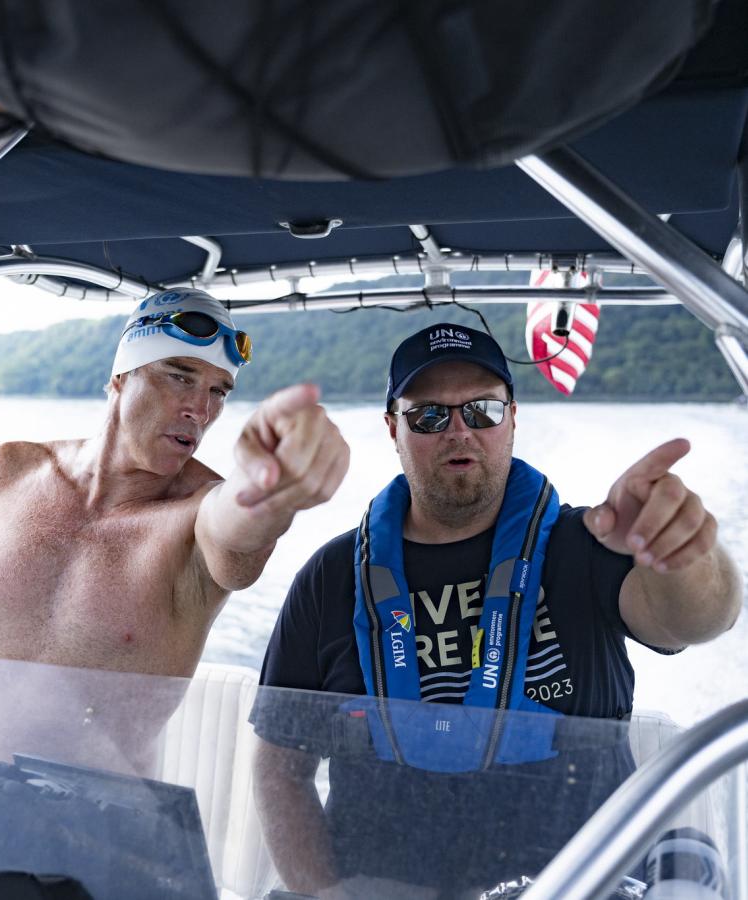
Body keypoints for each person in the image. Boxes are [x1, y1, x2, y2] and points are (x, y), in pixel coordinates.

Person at [251, 323, 742, 899]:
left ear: (512, 417)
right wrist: (326, 894)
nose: (459, 431)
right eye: (429, 416)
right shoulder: (331, 577)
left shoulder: (585, 544)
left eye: (481, 411)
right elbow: (279, 767)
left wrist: (681, 552)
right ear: (393, 428)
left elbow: (701, 618)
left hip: (578, 885)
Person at [0, 288, 350, 677]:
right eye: (179, 375)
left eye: (219, 391)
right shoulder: (5, 471)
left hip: (106, 809)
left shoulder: (199, 510)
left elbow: (238, 531)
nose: (201, 410)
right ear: (120, 378)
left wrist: (268, 488)